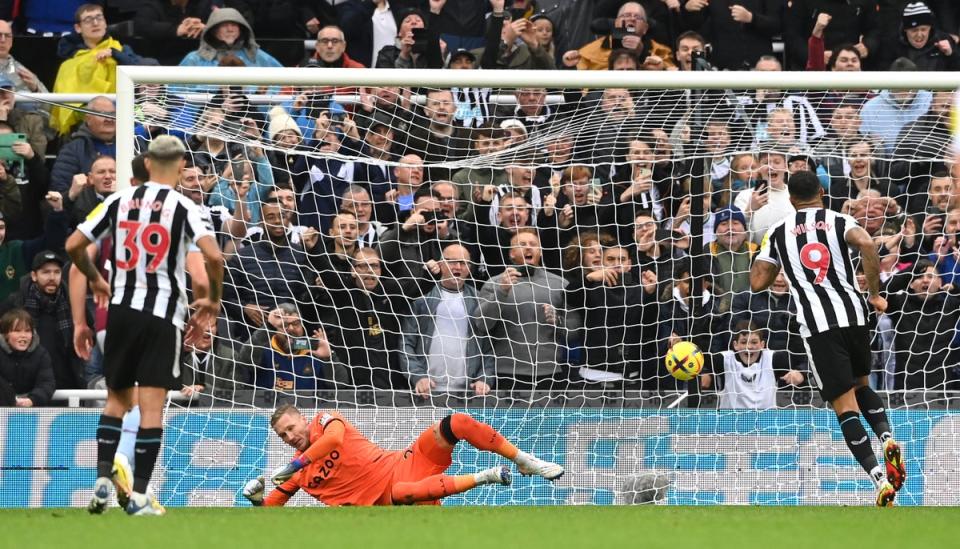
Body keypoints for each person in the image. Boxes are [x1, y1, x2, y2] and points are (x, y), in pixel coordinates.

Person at [66, 136, 224, 516]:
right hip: (162, 314)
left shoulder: (117, 201)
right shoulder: (185, 205)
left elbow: (73, 245)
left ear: (147, 162)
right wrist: (213, 301)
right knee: (152, 407)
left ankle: (104, 476)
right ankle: (138, 496)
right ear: (183, 164)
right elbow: (213, 257)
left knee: (117, 400)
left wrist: (97, 279)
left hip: (118, 312)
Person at [750, 170, 905, 506]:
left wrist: (773, 258)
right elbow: (865, 242)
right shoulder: (839, 218)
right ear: (822, 191)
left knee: (843, 404)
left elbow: (758, 282)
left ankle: (879, 479)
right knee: (863, 385)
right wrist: (876, 295)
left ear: (790, 199)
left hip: (818, 326)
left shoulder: (777, 232)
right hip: (854, 316)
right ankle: (888, 436)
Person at [241, 404, 563, 506]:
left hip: (407, 461)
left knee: (457, 422)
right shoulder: (297, 476)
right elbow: (271, 509)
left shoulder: (324, 422)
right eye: (282, 435)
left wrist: (298, 461)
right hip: (395, 498)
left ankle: (523, 460)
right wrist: (257, 501)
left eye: (291, 427)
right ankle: (485, 477)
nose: (290, 436)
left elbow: (335, 438)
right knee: (402, 492)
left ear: (302, 419)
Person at [401, 243, 493, 398]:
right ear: (440, 264)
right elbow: (406, 343)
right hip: (427, 389)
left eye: (463, 263)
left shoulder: (479, 300)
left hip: (468, 392)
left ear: (469, 268)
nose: (458, 267)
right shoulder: (423, 297)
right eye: (452, 262)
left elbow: (489, 347)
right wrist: (417, 376)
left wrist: (485, 378)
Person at [702, 320, 805, 409]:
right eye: (743, 342)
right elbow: (701, 357)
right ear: (735, 345)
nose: (749, 347)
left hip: (764, 426)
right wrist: (705, 328)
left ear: (762, 345)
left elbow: (802, 357)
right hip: (730, 426)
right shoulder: (725, 360)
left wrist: (802, 372)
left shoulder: (772, 360)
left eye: (754, 342)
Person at [0, 308, 55, 407]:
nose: (23, 335)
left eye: (27, 331)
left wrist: (32, 400)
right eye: (17, 331)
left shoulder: (41, 354)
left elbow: (47, 383)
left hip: (33, 411)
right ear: (5, 335)